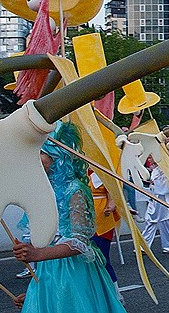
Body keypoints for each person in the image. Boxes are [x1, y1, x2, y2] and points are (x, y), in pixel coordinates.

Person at [12, 123, 126, 313]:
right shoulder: (43, 189)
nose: (35, 157)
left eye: (41, 152)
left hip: (74, 274)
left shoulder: (74, 190)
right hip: (48, 272)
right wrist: (35, 296)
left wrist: (37, 254)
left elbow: (79, 242)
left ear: (58, 155)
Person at [89, 169, 122, 301]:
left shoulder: (103, 171)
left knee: (102, 259)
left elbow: (113, 192)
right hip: (85, 219)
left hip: (102, 220)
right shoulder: (80, 170)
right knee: (88, 261)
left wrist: (111, 204)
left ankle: (116, 295)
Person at [141, 158, 169, 254]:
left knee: (164, 221)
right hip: (154, 197)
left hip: (161, 198)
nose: (149, 159)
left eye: (151, 157)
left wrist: (156, 184)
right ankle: (144, 245)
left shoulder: (164, 169)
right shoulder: (154, 170)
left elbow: (167, 186)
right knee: (150, 220)